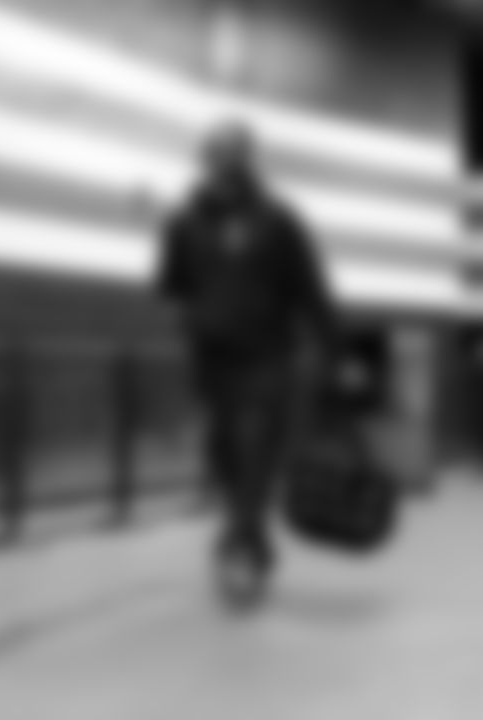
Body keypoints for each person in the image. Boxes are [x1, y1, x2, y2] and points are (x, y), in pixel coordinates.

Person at [155, 121, 339, 605]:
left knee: (256, 449)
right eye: (214, 159)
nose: (222, 168)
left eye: (231, 159)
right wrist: (194, 308)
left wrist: (334, 350)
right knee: (225, 456)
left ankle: (236, 544)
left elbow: (311, 290)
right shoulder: (184, 222)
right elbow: (171, 285)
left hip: (269, 356)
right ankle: (253, 539)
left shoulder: (279, 221)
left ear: (246, 163)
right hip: (212, 360)